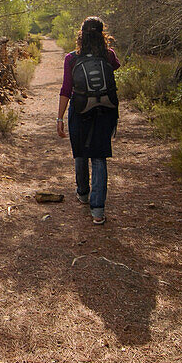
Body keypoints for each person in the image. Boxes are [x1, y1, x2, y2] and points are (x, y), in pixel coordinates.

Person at [56, 17, 120, 224]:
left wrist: (59, 117)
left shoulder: (72, 58)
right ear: (102, 35)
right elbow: (116, 66)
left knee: (81, 152)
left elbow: (66, 89)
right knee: (100, 156)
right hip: (106, 110)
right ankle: (98, 211)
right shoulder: (108, 55)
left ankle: (83, 193)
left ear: (81, 35)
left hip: (80, 108)